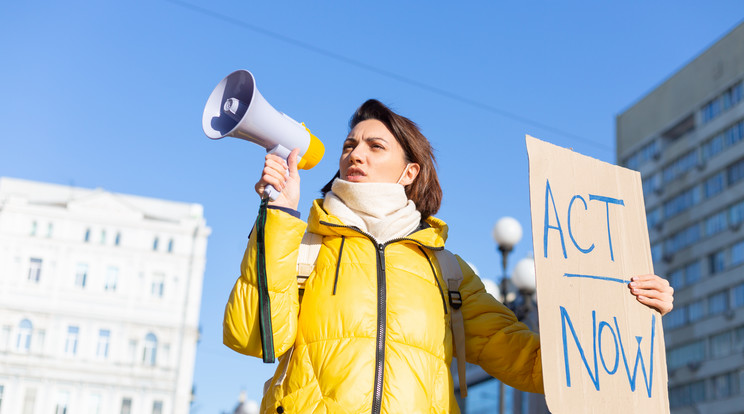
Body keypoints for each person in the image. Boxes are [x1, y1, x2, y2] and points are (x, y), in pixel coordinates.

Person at [223, 99, 674, 414]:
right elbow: (253, 338)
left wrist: (628, 310)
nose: (355, 152)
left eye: (375, 145)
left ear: (409, 171)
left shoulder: (448, 272)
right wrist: (279, 214)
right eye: (349, 144)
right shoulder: (303, 243)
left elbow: (533, 364)